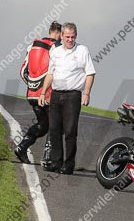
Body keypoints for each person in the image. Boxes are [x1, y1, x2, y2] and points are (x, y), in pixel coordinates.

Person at [38, 22, 95, 175]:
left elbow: (90, 73)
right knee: (55, 129)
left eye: (73, 37)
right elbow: (50, 73)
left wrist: (86, 93)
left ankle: (68, 164)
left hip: (73, 95)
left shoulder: (82, 50)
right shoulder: (55, 52)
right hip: (56, 94)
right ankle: (56, 162)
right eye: (67, 37)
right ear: (61, 36)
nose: (70, 40)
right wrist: (43, 93)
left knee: (70, 130)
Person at [14, 21, 63, 164]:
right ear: (59, 33)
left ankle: (21, 147)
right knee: (56, 125)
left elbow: (23, 71)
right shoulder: (57, 48)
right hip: (48, 94)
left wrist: (32, 86)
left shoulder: (32, 46)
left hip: (32, 94)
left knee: (43, 126)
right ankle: (48, 157)